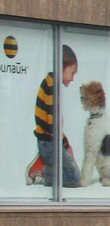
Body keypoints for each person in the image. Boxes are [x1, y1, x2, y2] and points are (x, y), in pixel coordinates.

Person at [34, 45, 81, 187]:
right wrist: (65, 146)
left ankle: (46, 169)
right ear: (62, 67)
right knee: (74, 178)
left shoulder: (50, 82)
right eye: (72, 73)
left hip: (49, 140)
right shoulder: (52, 86)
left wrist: (65, 144)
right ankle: (43, 172)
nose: (73, 78)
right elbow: (53, 124)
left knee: (69, 171)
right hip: (49, 143)